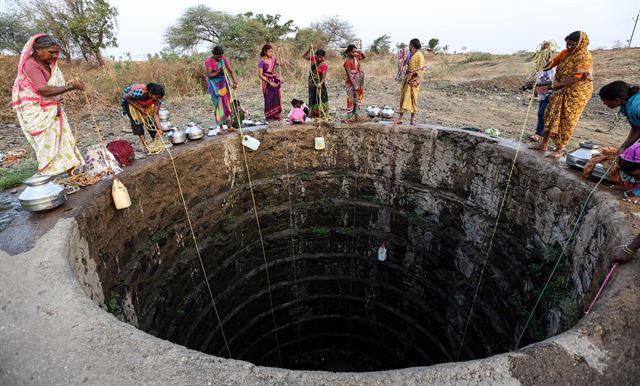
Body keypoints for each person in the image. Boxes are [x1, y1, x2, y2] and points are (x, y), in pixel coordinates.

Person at [11, 34, 85, 176]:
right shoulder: (31, 65)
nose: (55, 56)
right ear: (38, 49)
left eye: (57, 52)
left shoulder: (47, 64)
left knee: (64, 142)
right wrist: (70, 87)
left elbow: (51, 86)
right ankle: (48, 179)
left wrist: (69, 85)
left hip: (52, 109)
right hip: (38, 112)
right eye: (51, 52)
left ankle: (72, 173)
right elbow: (43, 90)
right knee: (46, 146)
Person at [530, 31, 593, 158]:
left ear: (581, 44)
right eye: (567, 44)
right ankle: (544, 143)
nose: (569, 47)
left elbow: (576, 78)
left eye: (572, 44)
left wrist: (556, 85)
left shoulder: (584, 57)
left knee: (567, 119)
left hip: (576, 93)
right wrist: (542, 59)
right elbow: (551, 64)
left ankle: (559, 149)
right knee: (550, 114)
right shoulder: (565, 53)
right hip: (560, 88)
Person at [523, 41, 556, 142]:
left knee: (543, 113)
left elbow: (552, 83)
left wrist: (536, 85)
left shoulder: (551, 67)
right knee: (541, 113)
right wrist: (531, 86)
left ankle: (540, 135)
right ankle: (543, 134)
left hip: (550, 94)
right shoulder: (542, 67)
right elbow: (539, 80)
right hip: (543, 94)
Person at [599, 81, 640, 153]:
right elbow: (636, 127)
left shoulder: (636, 108)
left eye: (605, 101)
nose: (604, 104)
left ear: (617, 100)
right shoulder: (627, 107)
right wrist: (623, 148)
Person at [121, 83, 164, 151]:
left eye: (160, 98)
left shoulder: (158, 99)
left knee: (150, 119)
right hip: (129, 100)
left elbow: (156, 114)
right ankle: (145, 144)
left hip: (142, 101)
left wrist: (160, 129)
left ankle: (155, 142)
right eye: (157, 97)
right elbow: (126, 97)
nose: (158, 99)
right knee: (136, 121)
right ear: (150, 94)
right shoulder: (139, 92)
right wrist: (139, 108)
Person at [205, 46, 238, 131]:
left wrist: (234, 81)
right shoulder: (209, 61)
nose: (220, 57)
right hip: (214, 85)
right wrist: (219, 70)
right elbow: (210, 75)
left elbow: (230, 70)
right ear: (214, 54)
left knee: (227, 103)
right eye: (218, 56)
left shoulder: (223, 58)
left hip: (223, 83)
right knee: (218, 105)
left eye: (221, 55)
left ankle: (229, 125)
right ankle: (220, 127)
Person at [397, 38, 426, 126]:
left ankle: (412, 119)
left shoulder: (419, 55)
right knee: (403, 97)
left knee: (413, 98)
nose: (408, 46)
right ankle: (400, 118)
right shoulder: (409, 54)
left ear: (412, 45)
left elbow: (422, 68)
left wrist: (416, 80)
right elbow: (402, 64)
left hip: (414, 80)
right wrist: (401, 58)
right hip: (407, 78)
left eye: (409, 44)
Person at [258, 44, 283, 122]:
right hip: (266, 82)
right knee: (269, 99)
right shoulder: (261, 62)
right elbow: (260, 75)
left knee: (276, 98)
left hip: (274, 80)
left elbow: (281, 64)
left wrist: (279, 54)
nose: (271, 53)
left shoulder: (273, 59)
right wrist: (269, 82)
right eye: (270, 51)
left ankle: (276, 115)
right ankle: (269, 117)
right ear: (265, 52)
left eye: (272, 51)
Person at [303, 48, 329, 118]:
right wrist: (309, 49)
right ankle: (312, 113)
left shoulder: (324, 65)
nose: (319, 58)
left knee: (321, 97)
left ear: (324, 57)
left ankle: (321, 113)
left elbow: (323, 77)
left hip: (319, 84)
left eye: (321, 57)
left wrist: (320, 83)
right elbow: (304, 56)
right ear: (316, 56)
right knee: (312, 97)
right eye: (318, 57)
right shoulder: (313, 59)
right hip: (311, 83)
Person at [343, 44, 366, 121]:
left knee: (358, 97)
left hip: (358, 80)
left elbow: (364, 57)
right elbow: (349, 75)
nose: (355, 53)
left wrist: (360, 52)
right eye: (353, 52)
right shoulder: (347, 62)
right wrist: (354, 85)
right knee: (351, 98)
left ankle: (357, 116)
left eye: (355, 51)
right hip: (351, 82)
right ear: (348, 52)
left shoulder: (356, 57)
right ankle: (350, 117)